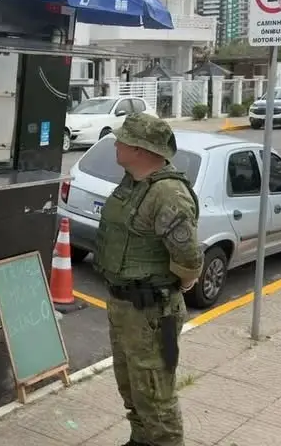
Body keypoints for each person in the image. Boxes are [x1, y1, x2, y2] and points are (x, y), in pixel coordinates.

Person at [93, 112, 203, 446]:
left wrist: (177, 287)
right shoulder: (134, 183)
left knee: (156, 397)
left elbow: (189, 258)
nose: (117, 143)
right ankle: (140, 440)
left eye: (123, 140)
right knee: (131, 387)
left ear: (141, 149)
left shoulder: (168, 194)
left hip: (153, 313)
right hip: (125, 307)